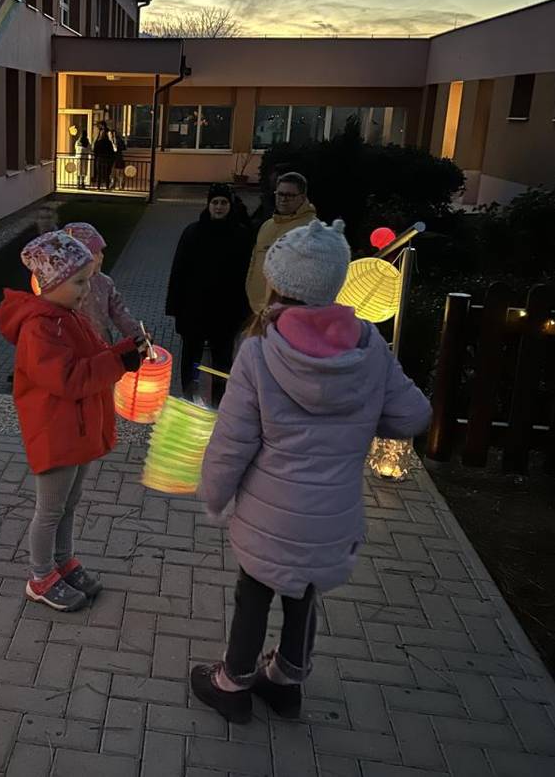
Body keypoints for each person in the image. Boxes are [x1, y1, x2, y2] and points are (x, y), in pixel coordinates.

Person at [189, 219, 432, 724]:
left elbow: (233, 440)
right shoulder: (369, 348)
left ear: (277, 282)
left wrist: (214, 495)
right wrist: (360, 417)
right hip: (333, 515)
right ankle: (286, 681)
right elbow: (412, 415)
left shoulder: (258, 351)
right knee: (304, 595)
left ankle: (233, 683)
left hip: (269, 513)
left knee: (253, 592)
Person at [0, 232, 145, 612]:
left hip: (75, 429)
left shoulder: (67, 317)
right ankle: (40, 575)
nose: (86, 289)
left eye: (88, 279)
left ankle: (63, 562)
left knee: (69, 502)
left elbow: (94, 357)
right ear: (52, 282)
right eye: (79, 281)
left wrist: (125, 350)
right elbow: (68, 378)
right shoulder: (40, 327)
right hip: (56, 432)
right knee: (49, 509)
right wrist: (118, 362)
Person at [165, 184, 252, 407]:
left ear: (230, 206)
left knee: (222, 361)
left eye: (223, 203)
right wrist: (175, 308)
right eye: (215, 203)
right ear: (208, 205)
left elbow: (247, 275)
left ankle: (218, 403)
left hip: (226, 312)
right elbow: (178, 271)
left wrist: (244, 312)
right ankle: (189, 398)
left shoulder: (241, 235)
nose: (219, 207)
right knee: (190, 358)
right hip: (194, 309)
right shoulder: (192, 232)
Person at [245, 172, 316, 317]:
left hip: (290, 313)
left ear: (302, 197)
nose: (283, 199)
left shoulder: (311, 229)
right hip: (258, 308)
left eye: (290, 195)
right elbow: (255, 262)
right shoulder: (267, 226)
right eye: (280, 194)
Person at [62, 222, 142, 344]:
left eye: (101, 251)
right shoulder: (64, 290)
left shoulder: (104, 283)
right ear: (76, 257)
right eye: (96, 253)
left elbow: (119, 312)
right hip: (75, 346)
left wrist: (137, 334)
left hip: (102, 344)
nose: (102, 256)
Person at [92, 123, 115, 191]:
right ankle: (107, 187)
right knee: (107, 174)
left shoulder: (99, 142)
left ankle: (98, 187)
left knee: (99, 173)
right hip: (107, 159)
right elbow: (112, 151)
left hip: (99, 158)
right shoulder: (109, 143)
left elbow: (95, 150)